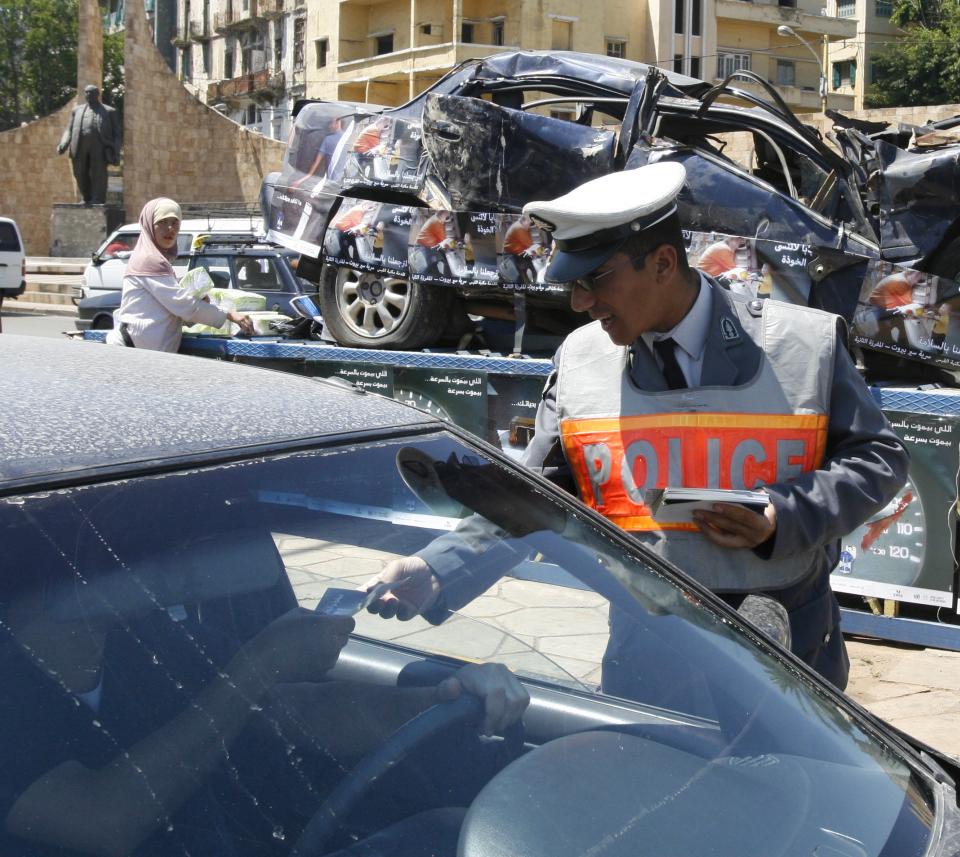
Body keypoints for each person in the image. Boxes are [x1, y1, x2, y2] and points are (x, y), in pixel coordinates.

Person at [366, 162, 909, 690]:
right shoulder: (579, 361)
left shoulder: (803, 345)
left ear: (664, 263)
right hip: (650, 659)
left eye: (595, 280)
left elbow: (877, 460)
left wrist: (782, 514)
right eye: (572, 285)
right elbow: (535, 499)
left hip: (787, 656)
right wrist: (439, 567)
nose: (581, 304)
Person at [0, 564, 527, 856]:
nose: (152, 566)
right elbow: (100, 822)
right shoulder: (13, 682)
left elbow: (294, 711)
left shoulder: (142, 636)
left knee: (451, 834)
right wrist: (258, 666)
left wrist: (444, 697)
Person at [107, 198, 256, 351]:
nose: (170, 228)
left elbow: (171, 311)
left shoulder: (158, 259)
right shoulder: (149, 259)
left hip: (147, 353)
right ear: (149, 225)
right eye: (162, 222)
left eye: (174, 222)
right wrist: (229, 314)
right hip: (132, 351)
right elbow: (183, 305)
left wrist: (200, 301)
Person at [56, 84, 122, 205]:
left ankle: (97, 198)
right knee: (79, 172)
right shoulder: (77, 110)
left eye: (91, 93)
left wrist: (115, 150)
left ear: (97, 95)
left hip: (100, 146)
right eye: (86, 93)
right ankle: (86, 197)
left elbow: (117, 133)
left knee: (98, 172)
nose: (88, 95)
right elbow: (69, 129)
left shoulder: (109, 111)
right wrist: (63, 143)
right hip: (80, 145)